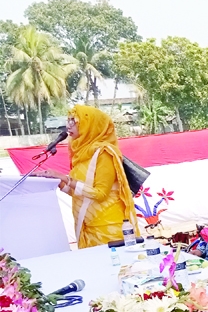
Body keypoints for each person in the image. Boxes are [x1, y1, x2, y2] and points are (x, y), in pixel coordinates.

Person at [33, 105, 139, 248]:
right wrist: (56, 180)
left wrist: (65, 178)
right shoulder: (80, 154)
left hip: (108, 229)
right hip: (87, 227)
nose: (68, 126)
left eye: (74, 121)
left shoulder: (104, 153)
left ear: (90, 125)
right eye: (68, 120)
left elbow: (100, 194)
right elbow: (80, 193)